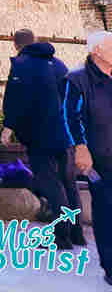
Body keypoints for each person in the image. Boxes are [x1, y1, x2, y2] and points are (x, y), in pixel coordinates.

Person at [2, 28, 81, 248]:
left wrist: (8, 126)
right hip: (66, 135)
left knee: (52, 185)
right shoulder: (58, 64)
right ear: (35, 41)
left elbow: (15, 99)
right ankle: (77, 235)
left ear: (15, 44)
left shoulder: (21, 65)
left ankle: (61, 238)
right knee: (69, 184)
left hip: (41, 136)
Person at [64, 30, 112, 284]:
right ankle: (111, 267)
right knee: (107, 212)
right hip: (100, 160)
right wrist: (80, 148)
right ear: (97, 52)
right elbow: (69, 117)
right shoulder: (77, 80)